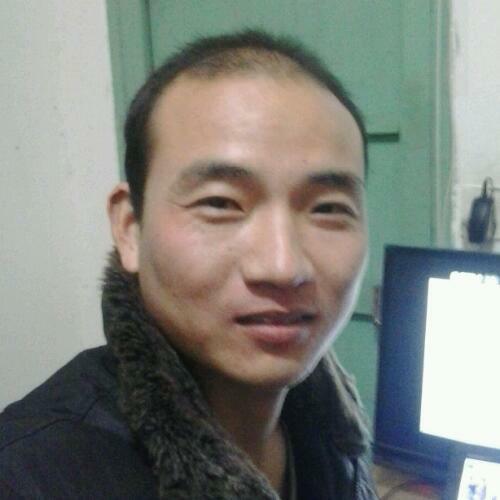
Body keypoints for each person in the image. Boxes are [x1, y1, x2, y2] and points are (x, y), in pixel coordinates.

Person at [0, 30, 377, 499]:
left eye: (328, 208)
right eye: (220, 203)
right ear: (130, 229)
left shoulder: (333, 433)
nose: (282, 266)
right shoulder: (29, 477)